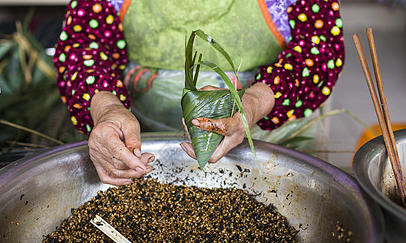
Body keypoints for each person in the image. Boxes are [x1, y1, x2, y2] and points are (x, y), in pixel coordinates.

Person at [53, 0, 345, 186]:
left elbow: (318, 50)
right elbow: (83, 46)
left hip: (271, 146)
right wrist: (106, 109)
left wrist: (252, 104)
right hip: (143, 145)